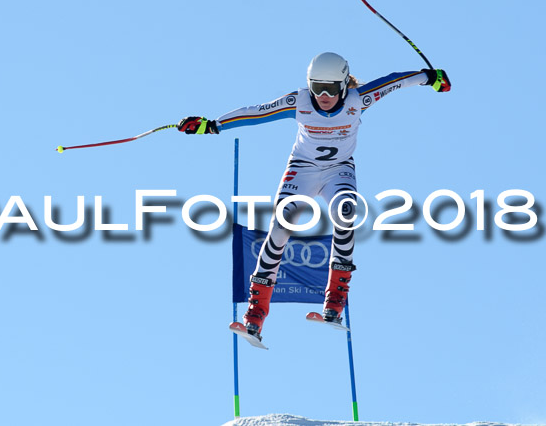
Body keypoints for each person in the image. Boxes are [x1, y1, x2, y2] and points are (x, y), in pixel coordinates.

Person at [178, 52, 450, 342]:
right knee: (281, 228)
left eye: (331, 89)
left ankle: (335, 304)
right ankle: (256, 315)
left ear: (344, 85)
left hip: (338, 171)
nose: (323, 95)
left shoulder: (359, 100)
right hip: (302, 171)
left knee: (345, 215)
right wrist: (212, 125)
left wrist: (430, 78)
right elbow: (257, 112)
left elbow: (394, 81)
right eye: (316, 86)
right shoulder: (300, 102)